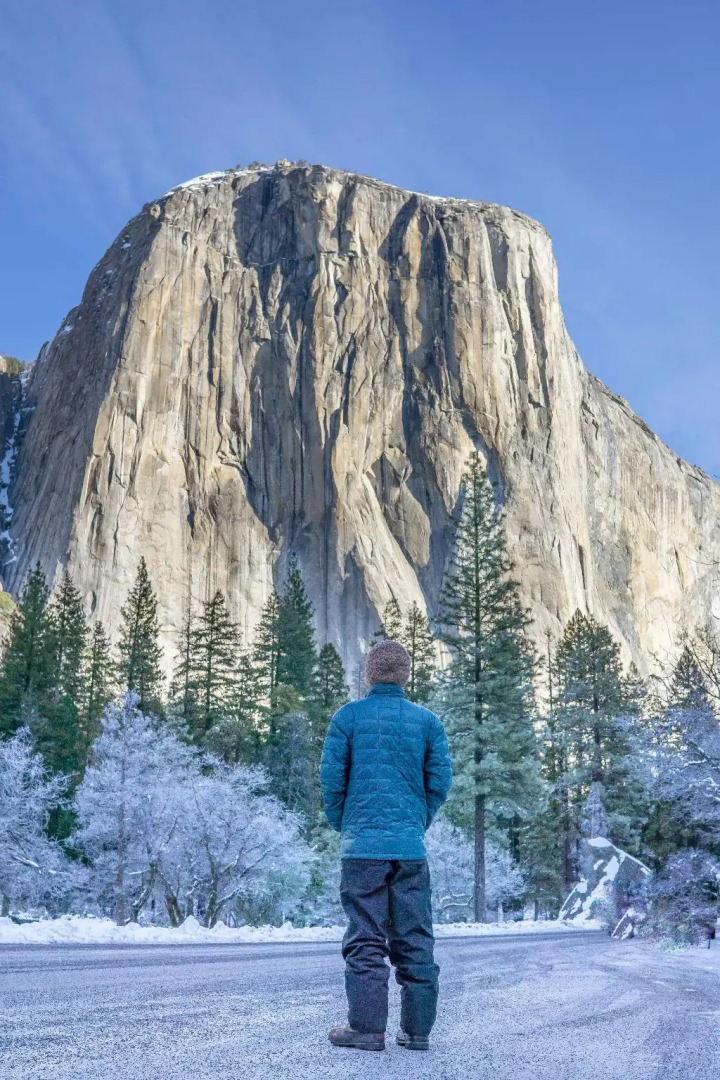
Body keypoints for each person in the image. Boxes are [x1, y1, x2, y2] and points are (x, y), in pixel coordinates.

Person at [320, 638, 452, 1052]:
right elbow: (440, 782)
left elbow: (330, 779)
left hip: (362, 850)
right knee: (415, 935)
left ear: (370, 674)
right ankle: (417, 1033)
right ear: (405, 675)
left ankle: (367, 1029)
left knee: (366, 936)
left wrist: (346, 823)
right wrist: (416, 822)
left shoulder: (348, 718)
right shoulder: (427, 722)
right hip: (410, 849)